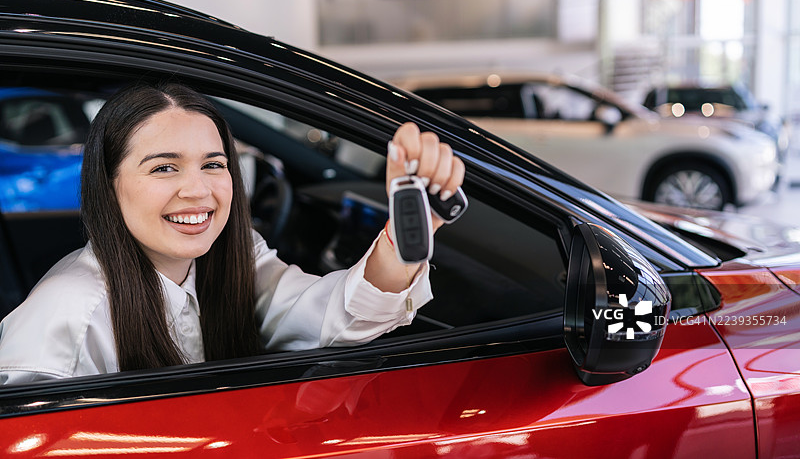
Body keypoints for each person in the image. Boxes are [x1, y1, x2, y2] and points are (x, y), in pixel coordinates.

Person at [0, 82, 465, 384]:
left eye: (213, 164)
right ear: (107, 185)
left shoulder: (234, 256)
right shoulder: (69, 315)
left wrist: (411, 234)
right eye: (164, 167)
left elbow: (334, 314)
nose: (198, 190)